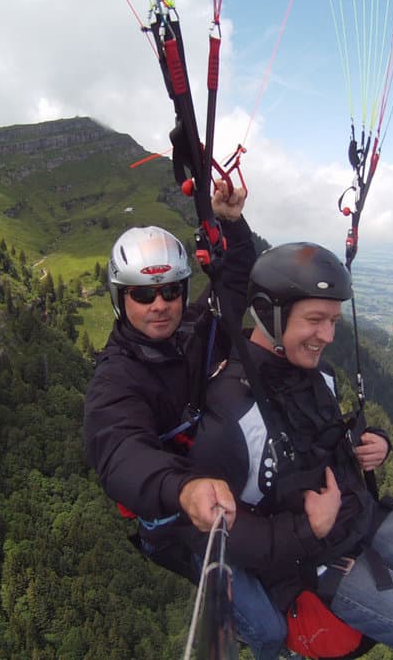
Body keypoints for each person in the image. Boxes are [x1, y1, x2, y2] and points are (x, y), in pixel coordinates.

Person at [189, 242, 393, 659]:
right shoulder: (232, 412)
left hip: (362, 518)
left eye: (334, 321)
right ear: (269, 314)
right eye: (315, 320)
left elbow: (325, 438)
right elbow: (212, 534)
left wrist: (373, 443)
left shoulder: (318, 373)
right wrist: (306, 532)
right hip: (313, 560)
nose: (328, 336)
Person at [83, 180, 291, 655]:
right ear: (121, 300)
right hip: (174, 521)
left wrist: (232, 226)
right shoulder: (117, 380)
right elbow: (120, 452)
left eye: (171, 290)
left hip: (218, 485)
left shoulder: (195, 332)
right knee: (270, 631)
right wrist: (182, 488)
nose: (160, 305)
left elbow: (234, 287)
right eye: (143, 295)